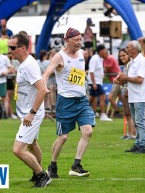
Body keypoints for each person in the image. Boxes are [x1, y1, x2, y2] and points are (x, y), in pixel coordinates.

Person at [43, 27, 95, 177]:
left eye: (80, 39)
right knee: (63, 137)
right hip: (65, 102)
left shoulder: (81, 55)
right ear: (67, 40)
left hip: (82, 100)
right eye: (76, 40)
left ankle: (76, 166)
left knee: (88, 131)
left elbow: (79, 76)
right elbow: (47, 73)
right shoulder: (59, 57)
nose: (79, 42)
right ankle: (52, 166)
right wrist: (44, 86)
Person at [9, 33, 51, 188]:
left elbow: (42, 90)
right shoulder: (24, 63)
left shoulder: (28, 65)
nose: (10, 51)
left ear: (23, 48)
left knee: (18, 149)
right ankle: (37, 173)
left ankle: (42, 175)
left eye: (13, 48)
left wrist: (31, 113)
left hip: (31, 113)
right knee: (32, 144)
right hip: (27, 112)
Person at [118, 40, 145, 154]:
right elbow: (132, 78)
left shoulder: (141, 61)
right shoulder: (133, 62)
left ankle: (144, 146)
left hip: (139, 96)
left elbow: (140, 79)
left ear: (134, 49)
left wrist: (125, 78)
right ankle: (138, 144)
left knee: (140, 122)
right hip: (133, 95)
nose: (126, 50)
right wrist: (122, 78)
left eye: (128, 47)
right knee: (137, 121)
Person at [114, 48, 136, 140]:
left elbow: (129, 78)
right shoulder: (126, 65)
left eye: (124, 55)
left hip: (130, 90)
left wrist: (119, 79)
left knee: (130, 114)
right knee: (127, 113)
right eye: (120, 56)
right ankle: (128, 133)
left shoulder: (131, 64)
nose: (122, 57)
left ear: (128, 55)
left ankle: (133, 134)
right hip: (126, 91)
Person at [88, 45, 112, 121]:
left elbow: (98, 70)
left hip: (98, 82)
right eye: (105, 50)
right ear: (101, 51)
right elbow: (91, 71)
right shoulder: (94, 58)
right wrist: (94, 83)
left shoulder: (100, 59)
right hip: (95, 82)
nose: (106, 52)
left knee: (92, 98)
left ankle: (81, 112)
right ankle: (103, 115)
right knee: (103, 97)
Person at [102, 47, 122, 117]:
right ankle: (127, 110)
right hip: (114, 80)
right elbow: (106, 68)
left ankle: (117, 112)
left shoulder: (110, 58)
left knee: (110, 97)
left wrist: (103, 71)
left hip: (117, 80)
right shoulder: (105, 59)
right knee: (121, 97)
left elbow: (108, 68)